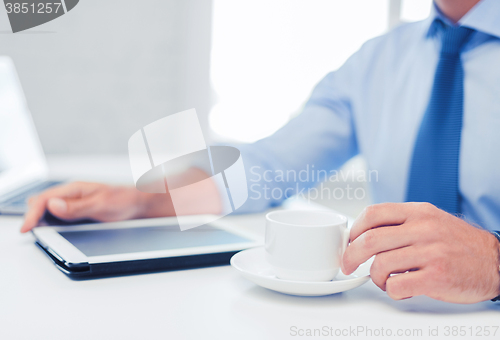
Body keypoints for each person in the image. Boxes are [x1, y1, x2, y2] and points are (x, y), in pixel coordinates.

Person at [21, 0, 500, 304]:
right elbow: (269, 166)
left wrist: (494, 262)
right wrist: (140, 202)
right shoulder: (378, 60)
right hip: (399, 321)